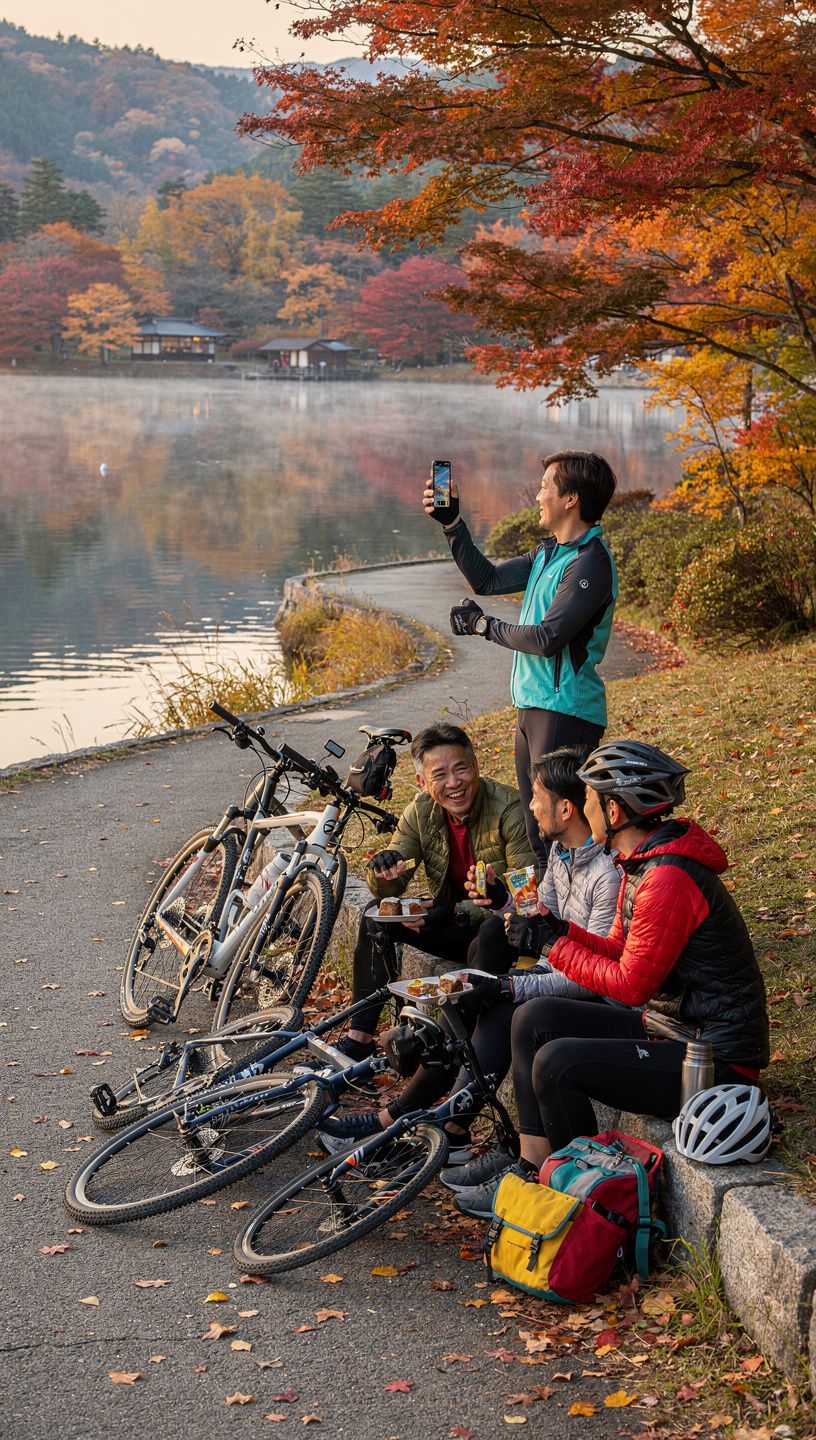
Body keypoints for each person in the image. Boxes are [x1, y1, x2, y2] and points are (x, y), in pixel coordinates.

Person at [453, 740, 770, 1217]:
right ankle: (534, 1163)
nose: (582, 808)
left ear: (615, 810)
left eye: (589, 800)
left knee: (559, 1061)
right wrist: (557, 929)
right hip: (672, 1030)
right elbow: (617, 947)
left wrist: (550, 945)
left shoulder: (667, 878)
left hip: (713, 1058)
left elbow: (629, 985)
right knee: (533, 1018)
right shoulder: (640, 864)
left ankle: (586, 1202)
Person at [319, 745, 620, 1162]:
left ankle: (423, 1117)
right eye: (439, 773)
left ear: (565, 809)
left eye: (536, 796)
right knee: (478, 978)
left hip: (593, 995)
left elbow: (594, 972)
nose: (532, 806)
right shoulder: (562, 855)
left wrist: (505, 983)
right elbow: (537, 916)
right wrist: (499, 901)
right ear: (424, 781)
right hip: (541, 966)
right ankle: (427, 1111)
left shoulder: (605, 874)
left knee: (504, 1001)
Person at [424, 451, 618, 866]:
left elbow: (549, 637)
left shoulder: (591, 563)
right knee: (538, 830)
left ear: (571, 499)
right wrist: (453, 525)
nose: (539, 495)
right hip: (532, 707)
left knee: (564, 828)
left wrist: (482, 626)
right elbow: (487, 578)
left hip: (566, 710)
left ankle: (585, 919)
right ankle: (550, 924)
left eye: (546, 486)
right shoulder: (548, 554)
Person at [327, 723, 534, 1095]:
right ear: (423, 782)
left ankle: (433, 1055)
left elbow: (524, 897)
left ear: (476, 766)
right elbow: (396, 880)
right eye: (440, 774)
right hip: (451, 922)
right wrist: (385, 870)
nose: (454, 782)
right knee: (378, 915)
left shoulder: (510, 809)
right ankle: (359, 1040)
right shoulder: (420, 811)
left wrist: (455, 912)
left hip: (501, 932)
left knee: (488, 938)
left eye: (461, 769)